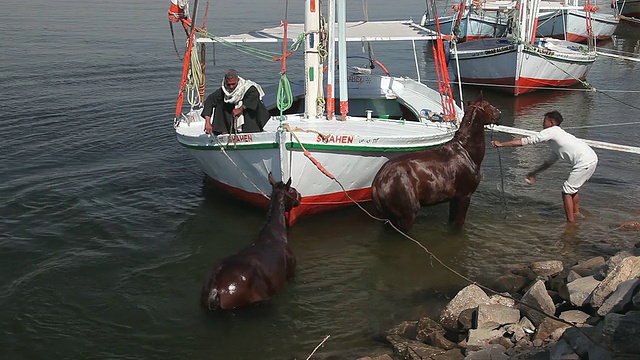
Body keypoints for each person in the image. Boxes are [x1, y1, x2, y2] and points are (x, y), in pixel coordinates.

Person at [491, 110, 598, 223]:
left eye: (544, 120)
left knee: (566, 191)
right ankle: (576, 213)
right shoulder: (559, 137)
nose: (542, 123)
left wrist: (502, 144)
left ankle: (570, 223)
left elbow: (528, 141)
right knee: (573, 189)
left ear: (551, 122)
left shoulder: (551, 131)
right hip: (592, 159)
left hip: (584, 162)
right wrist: (534, 173)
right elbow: (549, 162)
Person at [202, 69, 270, 135]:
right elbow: (209, 101)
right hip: (232, 117)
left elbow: (254, 95)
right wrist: (207, 122)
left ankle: (251, 130)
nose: (231, 87)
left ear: (238, 80)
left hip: (249, 117)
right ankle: (223, 129)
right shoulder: (224, 90)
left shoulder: (247, 87)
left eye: (233, 84)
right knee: (220, 102)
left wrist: (240, 109)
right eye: (229, 84)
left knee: (252, 103)